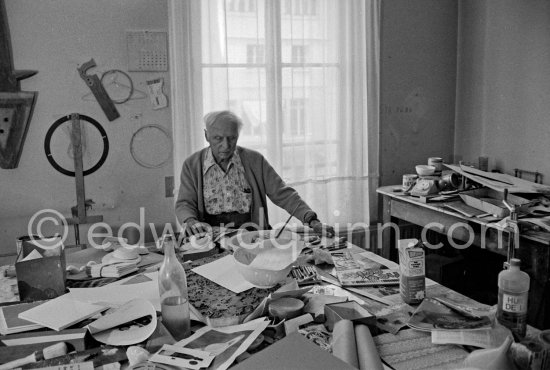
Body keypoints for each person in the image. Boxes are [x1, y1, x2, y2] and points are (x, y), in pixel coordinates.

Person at [175, 110, 335, 237]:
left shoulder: (254, 160)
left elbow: (284, 195)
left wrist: (311, 219)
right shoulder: (192, 165)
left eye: (232, 138)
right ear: (206, 136)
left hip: (252, 238)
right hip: (210, 239)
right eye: (218, 138)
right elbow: (184, 203)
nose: (226, 145)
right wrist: (189, 220)